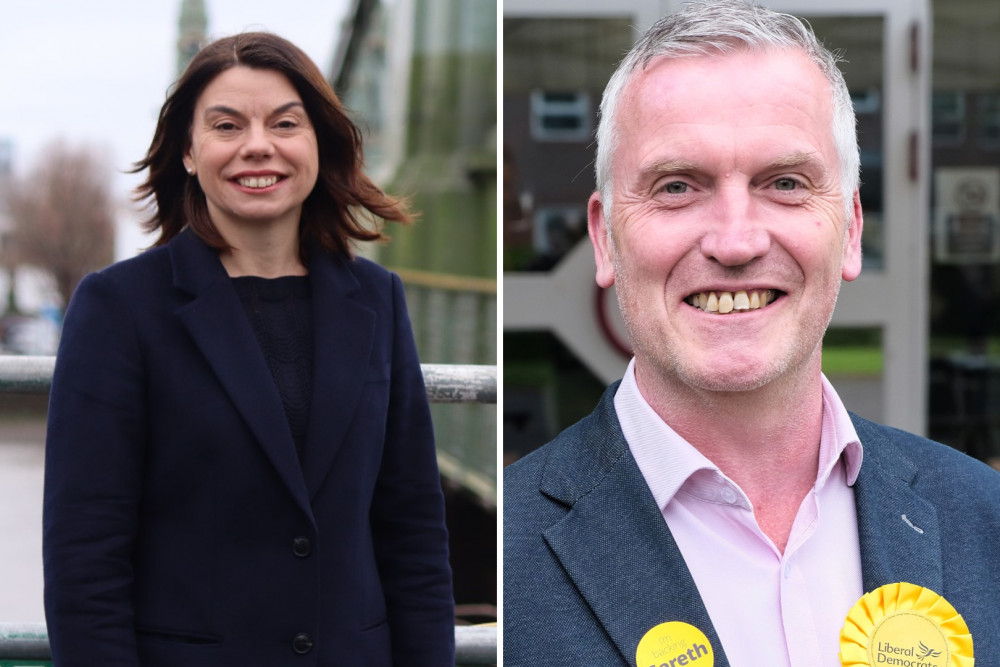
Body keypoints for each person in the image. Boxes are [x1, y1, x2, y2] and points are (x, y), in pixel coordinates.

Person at [503, 2, 1000, 666]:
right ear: (603, 237)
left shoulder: (983, 518)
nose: (735, 241)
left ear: (850, 230)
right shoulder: (508, 560)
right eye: (677, 186)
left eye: (786, 183)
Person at [43, 32, 454, 666]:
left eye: (285, 123)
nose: (257, 145)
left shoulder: (377, 300)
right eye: (227, 125)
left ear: (318, 142)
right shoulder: (119, 308)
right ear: (188, 151)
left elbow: (413, 531)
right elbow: (85, 557)